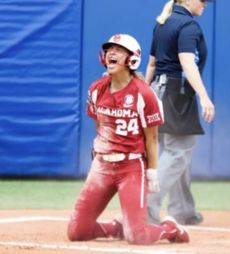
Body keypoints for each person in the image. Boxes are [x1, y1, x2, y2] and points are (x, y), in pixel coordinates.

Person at [67, 33, 190, 245]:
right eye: (109, 49)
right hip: (102, 166)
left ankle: (170, 229)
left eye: (118, 50)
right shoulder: (96, 89)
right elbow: (99, 125)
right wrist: (100, 151)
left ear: (132, 59)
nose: (111, 53)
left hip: (131, 167)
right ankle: (116, 228)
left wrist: (152, 172)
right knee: (77, 231)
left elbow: (151, 138)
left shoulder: (144, 93)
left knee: (138, 237)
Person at [145, 0, 215, 225]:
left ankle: (183, 211)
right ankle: (145, 209)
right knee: (179, 152)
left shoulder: (162, 22)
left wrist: (145, 93)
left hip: (159, 91)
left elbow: (152, 65)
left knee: (175, 151)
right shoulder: (188, 25)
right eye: (203, 0)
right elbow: (187, 62)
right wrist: (204, 96)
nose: (206, 4)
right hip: (176, 93)